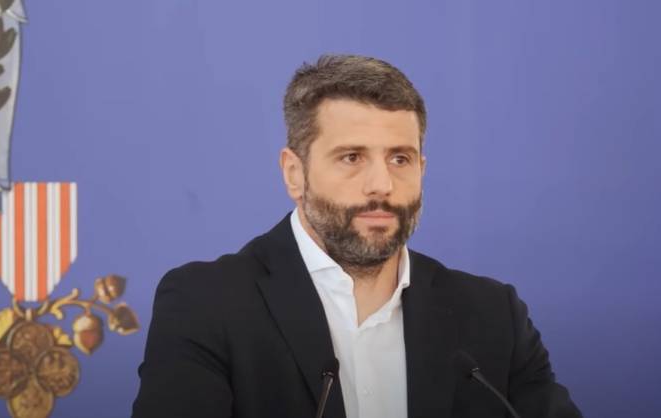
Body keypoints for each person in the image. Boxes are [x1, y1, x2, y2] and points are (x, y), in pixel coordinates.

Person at [132, 55, 582, 418]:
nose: (381, 185)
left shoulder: (493, 315)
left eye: (400, 159)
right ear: (294, 173)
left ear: (422, 169)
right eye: (352, 157)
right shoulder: (206, 304)